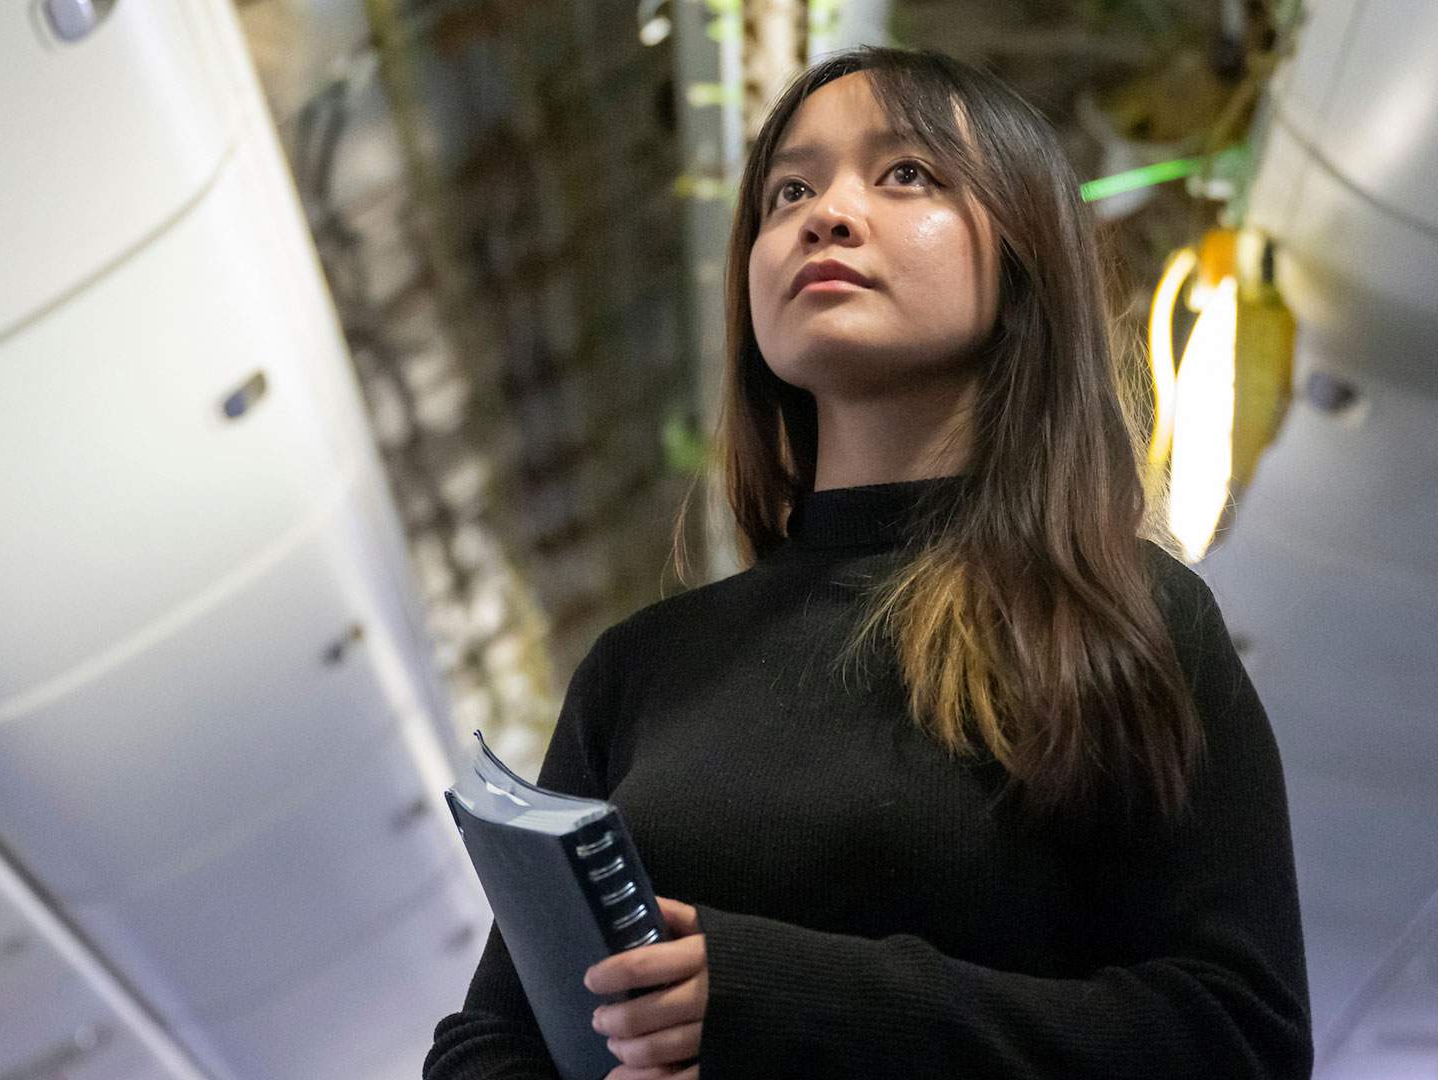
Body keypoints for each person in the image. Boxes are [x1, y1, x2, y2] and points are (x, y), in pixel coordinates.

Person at [421, 45, 1312, 1080]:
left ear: (1025, 256)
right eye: (789, 191)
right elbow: (490, 1041)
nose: (827, 216)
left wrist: (776, 996)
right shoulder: (642, 669)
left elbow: (1237, 1037)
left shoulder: (1130, 621)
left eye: (907, 174)